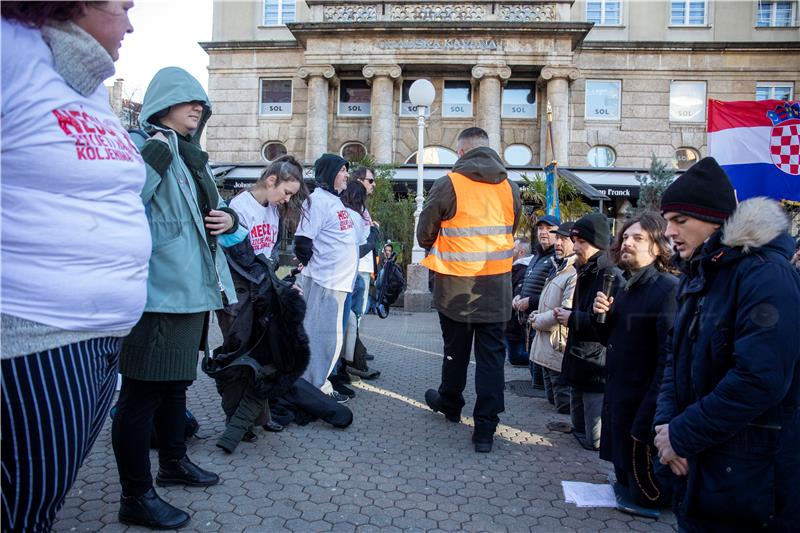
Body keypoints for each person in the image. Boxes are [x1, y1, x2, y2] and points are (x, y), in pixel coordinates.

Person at [1, 3, 149, 531]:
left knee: (37, 507)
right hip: (34, 339)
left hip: (95, 342)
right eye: (123, 7)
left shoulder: (85, 86)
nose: (130, 24)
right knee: (21, 514)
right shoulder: (10, 50)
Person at [111, 66, 240, 530]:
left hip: (190, 292)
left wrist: (229, 217)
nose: (198, 108)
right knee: (141, 395)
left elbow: (207, 216)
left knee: (174, 387)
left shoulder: (191, 157)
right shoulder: (155, 148)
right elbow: (121, 203)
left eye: (202, 103)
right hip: (158, 294)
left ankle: (173, 463)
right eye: (189, 100)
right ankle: (136, 495)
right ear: (163, 102)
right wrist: (152, 161)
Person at [654, 157, 800, 532]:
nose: (668, 230)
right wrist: (667, 428)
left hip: (750, 479)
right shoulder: (701, 273)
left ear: (715, 221)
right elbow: (675, 359)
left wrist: (682, 434)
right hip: (700, 463)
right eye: (667, 219)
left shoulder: (766, 274)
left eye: (680, 220)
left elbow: (760, 378)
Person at [418, 127, 522, 453]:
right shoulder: (511, 187)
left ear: (461, 153)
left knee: (456, 352)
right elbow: (512, 229)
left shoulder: (449, 183)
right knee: (491, 359)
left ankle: (450, 403)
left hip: (455, 286)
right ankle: (485, 431)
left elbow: (425, 233)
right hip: (498, 286)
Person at [216, 156, 308, 441]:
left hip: (258, 291)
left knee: (261, 353)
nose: (286, 199)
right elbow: (241, 257)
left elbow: (266, 256)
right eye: (286, 192)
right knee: (237, 358)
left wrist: (278, 285)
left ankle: (260, 416)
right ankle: (237, 421)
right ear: (271, 181)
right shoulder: (238, 208)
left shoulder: (271, 210)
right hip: (235, 292)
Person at [591, 212, 677, 518]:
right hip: (619, 401)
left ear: (657, 247)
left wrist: (648, 417)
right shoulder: (626, 287)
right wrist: (602, 318)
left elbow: (667, 361)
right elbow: (611, 340)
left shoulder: (667, 290)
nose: (627, 242)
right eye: (625, 237)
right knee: (624, 483)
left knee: (647, 493)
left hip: (643, 408)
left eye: (637, 238)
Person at [554, 213, 623, 451]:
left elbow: (604, 322)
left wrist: (571, 317)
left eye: (581, 242)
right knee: (578, 430)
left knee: (594, 440)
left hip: (595, 366)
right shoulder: (584, 269)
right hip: (579, 361)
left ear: (598, 243)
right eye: (574, 240)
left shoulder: (609, 274)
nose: (575, 247)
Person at [293, 153, 358, 402]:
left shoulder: (333, 201)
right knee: (325, 341)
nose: (346, 175)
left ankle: (319, 383)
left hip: (337, 283)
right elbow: (302, 242)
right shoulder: (317, 201)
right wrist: (315, 268)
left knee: (328, 341)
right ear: (330, 174)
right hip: (325, 283)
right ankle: (317, 389)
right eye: (342, 170)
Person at [529, 223, 577, 416]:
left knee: (563, 406)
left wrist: (537, 319)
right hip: (547, 348)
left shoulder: (573, 272)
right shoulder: (558, 267)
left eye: (563, 239)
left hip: (558, 347)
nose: (558, 243)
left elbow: (565, 309)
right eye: (557, 238)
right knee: (552, 402)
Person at [514, 215, 560, 390]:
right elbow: (526, 282)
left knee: (541, 378)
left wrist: (531, 301)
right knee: (535, 372)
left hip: (544, 323)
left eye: (549, 230)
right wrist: (518, 295)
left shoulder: (557, 258)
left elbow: (556, 293)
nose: (544, 233)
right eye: (541, 229)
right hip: (530, 322)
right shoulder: (536, 256)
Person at [505, 237, 532, 366]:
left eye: (513, 249)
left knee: (516, 356)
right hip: (512, 323)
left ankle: (540, 361)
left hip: (516, 323)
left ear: (521, 252)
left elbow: (517, 294)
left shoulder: (521, 270)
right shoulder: (516, 268)